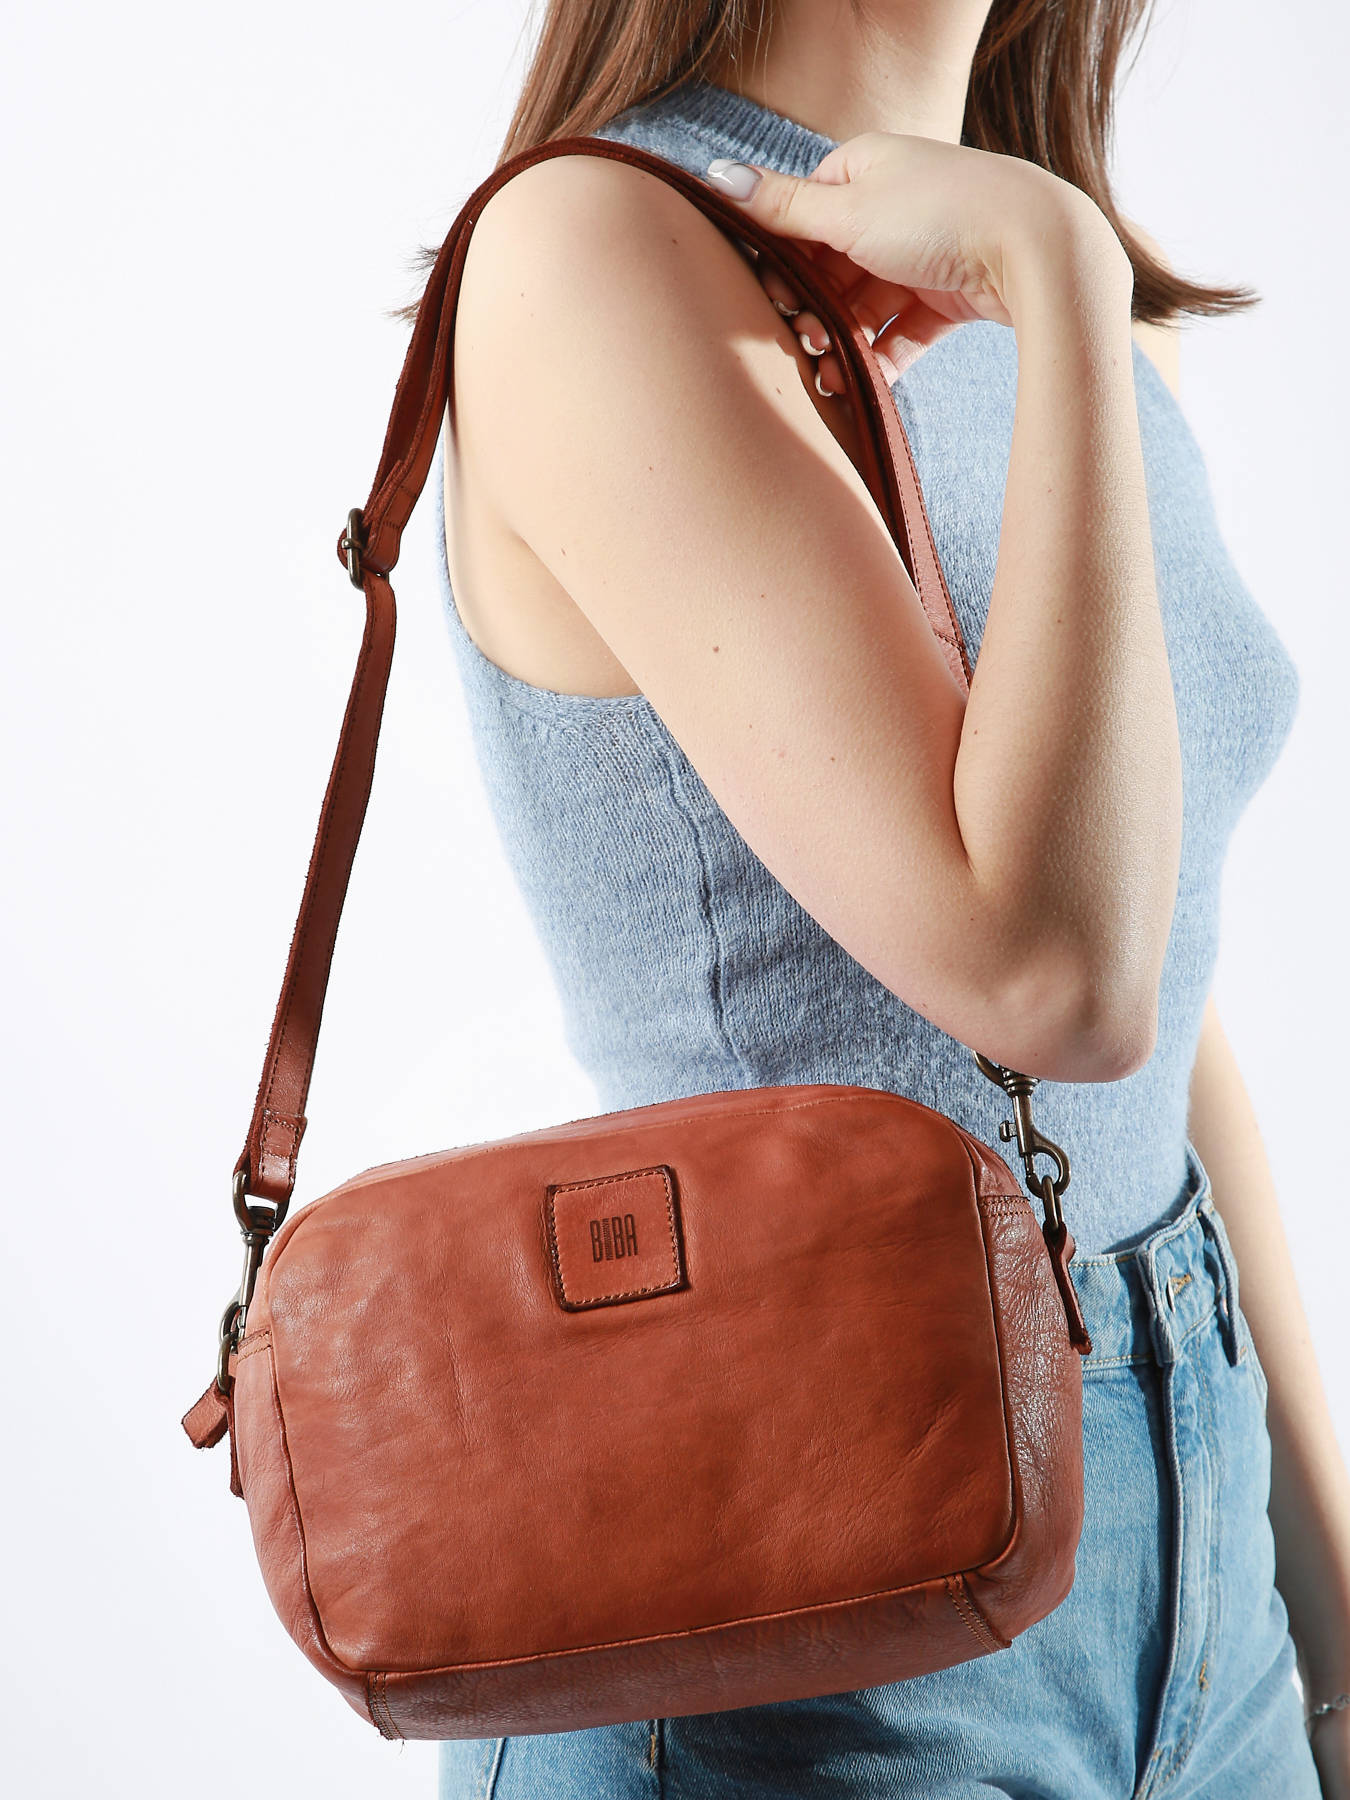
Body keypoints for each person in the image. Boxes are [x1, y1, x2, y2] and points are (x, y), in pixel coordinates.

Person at [428, 2, 1350, 1794]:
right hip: (799, 1577)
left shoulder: (1049, 276)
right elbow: (1053, 979)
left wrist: (1321, 1616)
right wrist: (1057, 284)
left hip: (1202, 1544)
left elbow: (1161, 991)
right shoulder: (596, 246)